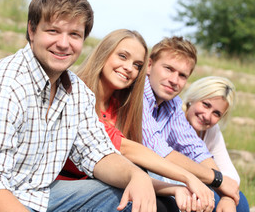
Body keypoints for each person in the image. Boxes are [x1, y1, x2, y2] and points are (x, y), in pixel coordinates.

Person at [0, 0, 159, 212]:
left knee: (129, 196)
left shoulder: (77, 93)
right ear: (32, 31)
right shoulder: (4, 84)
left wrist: (135, 175)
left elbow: (98, 153)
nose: (63, 43)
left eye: (74, 35)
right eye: (53, 31)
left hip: (33, 197)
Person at [57, 29, 215, 212]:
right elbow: (126, 148)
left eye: (137, 65)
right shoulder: (76, 93)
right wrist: (189, 177)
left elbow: (128, 173)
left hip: (98, 188)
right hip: (62, 190)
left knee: (167, 204)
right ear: (104, 53)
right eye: (122, 56)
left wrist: (176, 188)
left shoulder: (121, 107)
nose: (129, 68)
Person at [141, 36, 241, 210]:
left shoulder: (172, 104)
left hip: (158, 178)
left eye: (182, 75)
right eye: (168, 69)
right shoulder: (139, 94)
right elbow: (158, 150)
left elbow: (195, 148)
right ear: (149, 65)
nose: (174, 80)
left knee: (234, 201)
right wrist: (218, 180)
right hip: (125, 176)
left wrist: (226, 193)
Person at [182, 76, 250, 211]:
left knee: (239, 200)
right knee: (211, 198)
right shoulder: (175, 117)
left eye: (216, 113)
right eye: (205, 104)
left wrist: (228, 198)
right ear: (193, 98)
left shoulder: (210, 130)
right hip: (171, 184)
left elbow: (231, 174)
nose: (207, 116)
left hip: (196, 185)